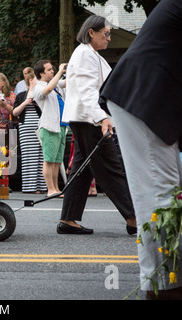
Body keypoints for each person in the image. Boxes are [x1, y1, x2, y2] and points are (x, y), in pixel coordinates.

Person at [100, 0, 182, 299]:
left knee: (170, 194)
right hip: (144, 96)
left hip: (150, 98)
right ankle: (161, 286)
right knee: (158, 195)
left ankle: (173, 277)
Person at [58, 15, 137, 235]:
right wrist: (102, 117)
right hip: (89, 119)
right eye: (106, 33)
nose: (109, 38)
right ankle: (133, 217)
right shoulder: (85, 54)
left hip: (85, 118)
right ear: (91, 32)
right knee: (110, 166)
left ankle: (68, 218)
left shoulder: (91, 55)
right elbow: (87, 91)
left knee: (82, 170)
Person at [32, 60, 67, 197]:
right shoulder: (38, 87)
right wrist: (59, 72)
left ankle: (56, 188)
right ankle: (50, 189)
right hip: (49, 127)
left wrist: (70, 70)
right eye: (49, 70)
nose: (52, 71)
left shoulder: (56, 84)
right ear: (41, 74)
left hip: (61, 125)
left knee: (57, 161)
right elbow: (47, 90)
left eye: (53, 69)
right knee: (49, 159)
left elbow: (67, 82)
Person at [13, 72, 46, 194]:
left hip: (41, 127)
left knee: (41, 157)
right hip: (26, 128)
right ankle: (30, 187)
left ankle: (41, 187)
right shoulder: (21, 95)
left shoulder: (42, 95)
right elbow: (15, 113)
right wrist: (26, 102)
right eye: (32, 81)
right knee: (29, 157)